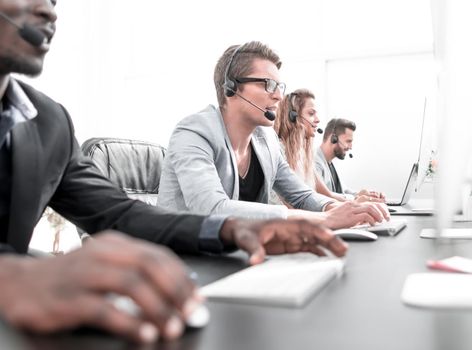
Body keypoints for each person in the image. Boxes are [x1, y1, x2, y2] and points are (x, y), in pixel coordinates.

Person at [0, 0, 349, 344]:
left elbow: (119, 214)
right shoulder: (195, 131)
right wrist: (14, 277)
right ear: (231, 87)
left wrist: (231, 229)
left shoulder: (47, 122)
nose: (49, 10)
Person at [157, 41, 389, 228]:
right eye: (268, 84)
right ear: (231, 87)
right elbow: (211, 209)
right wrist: (325, 220)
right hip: (183, 263)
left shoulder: (266, 140)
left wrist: (334, 208)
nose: (278, 96)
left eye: (280, 86)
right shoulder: (193, 132)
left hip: (238, 254)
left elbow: (301, 196)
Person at [272, 89, 380, 204]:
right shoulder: (278, 152)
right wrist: (352, 204)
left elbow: (326, 195)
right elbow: (292, 205)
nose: (317, 119)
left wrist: (356, 201)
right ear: (293, 116)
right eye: (311, 113)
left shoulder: (303, 156)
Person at [316, 118, 385, 201]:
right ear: (333, 138)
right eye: (348, 141)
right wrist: (356, 198)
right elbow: (322, 196)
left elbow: (343, 191)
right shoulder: (315, 162)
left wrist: (362, 194)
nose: (351, 147)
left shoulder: (329, 163)